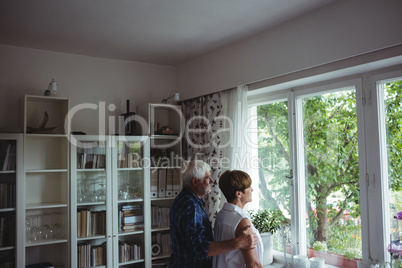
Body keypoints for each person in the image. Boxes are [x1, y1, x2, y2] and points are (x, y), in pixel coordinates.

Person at [169, 160, 258, 268]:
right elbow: (199, 248)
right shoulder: (191, 206)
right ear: (195, 182)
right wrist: (239, 242)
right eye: (207, 177)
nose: (211, 181)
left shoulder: (183, 200)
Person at [212, 170, 263, 268]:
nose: (252, 190)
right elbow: (253, 264)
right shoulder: (241, 221)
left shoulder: (221, 215)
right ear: (238, 194)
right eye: (249, 187)